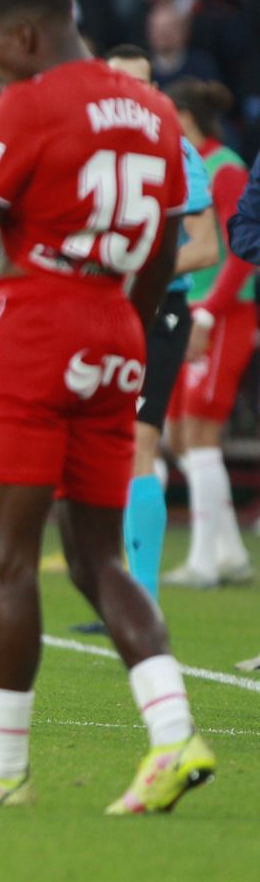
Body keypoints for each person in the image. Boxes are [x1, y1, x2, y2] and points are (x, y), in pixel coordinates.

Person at [0, 0, 214, 813]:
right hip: (121, 327)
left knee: (8, 559)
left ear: (30, 34)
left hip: (38, 323)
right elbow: (160, 247)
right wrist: (123, 325)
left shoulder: (29, 103)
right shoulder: (152, 110)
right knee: (98, 555)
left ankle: (1, 770)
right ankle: (173, 735)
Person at [56, 47, 216, 629]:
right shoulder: (83, 144)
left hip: (156, 310)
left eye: (143, 84)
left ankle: (139, 602)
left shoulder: (176, 148)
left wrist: (133, 268)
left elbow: (205, 248)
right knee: (99, 447)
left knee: (139, 446)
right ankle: (115, 588)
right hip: (98, 309)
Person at [162, 79, 256, 588]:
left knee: (200, 432)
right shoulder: (185, 165)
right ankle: (231, 553)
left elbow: (242, 249)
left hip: (222, 314)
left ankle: (203, 562)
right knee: (178, 434)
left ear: (184, 116)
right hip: (188, 308)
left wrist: (208, 313)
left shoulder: (226, 168)